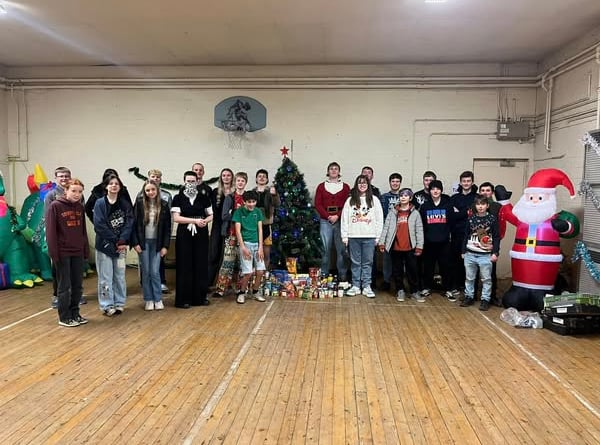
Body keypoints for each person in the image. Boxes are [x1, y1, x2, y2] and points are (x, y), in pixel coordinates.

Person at [496, 168, 579, 312]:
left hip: (544, 269)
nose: (534, 201)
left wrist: (565, 226)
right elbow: (510, 215)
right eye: (531, 197)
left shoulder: (553, 219)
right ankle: (519, 292)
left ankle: (542, 294)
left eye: (539, 198)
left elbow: (573, 228)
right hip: (521, 267)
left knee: (542, 301)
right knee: (513, 300)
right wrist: (504, 201)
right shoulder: (523, 217)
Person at [45, 178, 90, 327]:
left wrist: (85, 249)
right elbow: (51, 232)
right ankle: (64, 317)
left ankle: (75, 313)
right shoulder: (55, 206)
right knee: (64, 286)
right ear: (66, 191)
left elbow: (83, 231)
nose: (77, 194)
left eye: (80, 192)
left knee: (78, 285)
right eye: (73, 191)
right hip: (62, 253)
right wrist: (54, 254)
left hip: (77, 251)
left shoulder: (79, 207)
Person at [171, 171, 213, 308]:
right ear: (184, 182)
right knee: (185, 264)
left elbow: (211, 215)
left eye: (193, 181)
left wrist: (204, 221)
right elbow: (176, 218)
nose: (190, 183)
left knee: (200, 263)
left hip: (201, 233)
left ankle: (200, 297)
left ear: (197, 182)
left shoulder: (203, 197)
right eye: (188, 181)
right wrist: (194, 221)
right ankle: (184, 299)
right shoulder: (177, 198)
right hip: (185, 234)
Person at [93, 174, 134, 316]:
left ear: (120, 186)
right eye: (111, 183)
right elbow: (99, 225)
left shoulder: (125, 203)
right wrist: (115, 240)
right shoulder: (99, 203)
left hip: (121, 247)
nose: (114, 185)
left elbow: (129, 223)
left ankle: (119, 303)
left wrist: (122, 240)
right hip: (104, 246)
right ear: (106, 186)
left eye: (116, 183)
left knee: (120, 276)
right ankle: (106, 304)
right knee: (105, 277)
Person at [340, 175, 384, 298]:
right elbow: (344, 219)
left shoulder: (374, 200)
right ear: (356, 185)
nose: (362, 185)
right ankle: (355, 286)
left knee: (368, 262)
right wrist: (345, 236)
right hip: (353, 236)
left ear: (368, 185)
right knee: (355, 262)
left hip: (369, 237)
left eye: (364, 183)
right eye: (359, 183)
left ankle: (366, 286)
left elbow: (380, 220)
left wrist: (377, 237)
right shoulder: (350, 200)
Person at [378, 188, 424, 302]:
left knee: (412, 270)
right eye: (401, 195)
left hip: (410, 247)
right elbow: (386, 228)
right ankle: (400, 290)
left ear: (410, 198)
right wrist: (382, 242)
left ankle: (414, 291)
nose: (403, 197)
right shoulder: (393, 212)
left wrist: (419, 246)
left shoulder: (415, 213)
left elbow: (419, 230)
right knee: (397, 270)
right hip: (396, 246)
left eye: (406, 195)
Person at [132, 180, 171, 311]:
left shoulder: (164, 205)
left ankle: (158, 298)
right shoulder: (139, 204)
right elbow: (134, 225)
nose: (150, 192)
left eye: (153, 190)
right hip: (143, 243)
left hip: (157, 243)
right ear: (144, 192)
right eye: (148, 190)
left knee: (155, 271)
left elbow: (167, 228)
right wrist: (135, 243)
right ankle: (148, 299)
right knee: (147, 271)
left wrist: (165, 246)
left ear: (157, 190)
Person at [460, 194, 500, 311]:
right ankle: (469, 296)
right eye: (478, 204)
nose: (480, 206)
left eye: (483, 204)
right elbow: (465, 235)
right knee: (469, 278)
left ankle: (485, 299)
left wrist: (495, 252)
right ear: (475, 206)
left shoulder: (492, 219)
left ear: (487, 205)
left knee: (486, 279)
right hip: (470, 253)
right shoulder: (471, 219)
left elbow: (497, 237)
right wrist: (463, 251)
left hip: (485, 255)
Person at [419, 180, 455, 301]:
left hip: (444, 243)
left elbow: (451, 223)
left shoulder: (448, 206)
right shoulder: (424, 207)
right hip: (429, 243)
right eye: (433, 189)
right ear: (429, 191)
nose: (435, 191)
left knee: (446, 267)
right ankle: (426, 287)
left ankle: (448, 289)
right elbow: (422, 225)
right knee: (428, 267)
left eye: (438, 189)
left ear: (441, 190)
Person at [214, 172, 248, 298]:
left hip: (245, 236)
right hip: (231, 234)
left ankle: (240, 289)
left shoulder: (248, 197)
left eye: (242, 181)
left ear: (245, 183)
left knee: (242, 263)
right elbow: (224, 216)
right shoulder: (230, 198)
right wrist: (238, 214)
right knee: (227, 262)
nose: (240, 183)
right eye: (238, 180)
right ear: (235, 182)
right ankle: (220, 288)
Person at [314, 162, 350, 280]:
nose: (334, 171)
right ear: (328, 171)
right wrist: (328, 216)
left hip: (340, 221)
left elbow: (348, 205)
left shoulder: (345, 187)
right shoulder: (321, 186)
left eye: (336, 169)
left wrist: (337, 216)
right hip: (325, 221)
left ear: (339, 172)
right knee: (325, 249)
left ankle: (342, 276)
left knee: (341, 250)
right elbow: (318, 204)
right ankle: (323, 275)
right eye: (331, 169)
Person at [232, 190, 267, 304]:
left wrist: (261, 247)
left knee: (260, 271)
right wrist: (243, 247)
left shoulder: (258, 212)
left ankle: (255, 291)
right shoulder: (238, 212)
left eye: (253, 202)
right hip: (246, 244)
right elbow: (238, 231)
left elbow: (260, 229)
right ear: (244, 202)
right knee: (248, 273)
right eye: (249, 202)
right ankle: (242, 292)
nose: (251, 204)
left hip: (257, 245)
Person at [449, 170, 478, 297]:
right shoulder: (454, 198)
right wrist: (466, 212)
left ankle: (471, 290)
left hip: (473, 235)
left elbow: (476, 215)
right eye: (464, 181)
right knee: (456, 261)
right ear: (460, 183)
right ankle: (456, 285)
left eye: (468, 181)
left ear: (472, 182)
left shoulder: (477, 198)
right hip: (457, 234)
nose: (466, 183)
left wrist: (459, 212)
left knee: (472, 262)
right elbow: (452, 216)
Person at [146, 169, 172, 293]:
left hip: (160, 233)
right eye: (153, 176)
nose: (155, 179)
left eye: (158, 177)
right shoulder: (142, 195)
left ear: (161, 179)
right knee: (145, 262)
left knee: (160, 259)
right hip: (146, 234)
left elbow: (170, 216)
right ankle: (145, 283)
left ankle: (161, 281)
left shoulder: (166, 195)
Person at [208, 168, 234, 286]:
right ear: (221, 177)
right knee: (214, 254)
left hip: (232, 225)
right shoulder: (215, 192)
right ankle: (209, 283)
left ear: (232, 177)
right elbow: (212, 211)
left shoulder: (235, 193)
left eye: (228, 175)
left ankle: (224, 284)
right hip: (218, 225)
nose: (226, 177)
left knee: (228, 256)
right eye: (224, 175)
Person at [379, 173, 403, 291]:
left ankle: (399, 281)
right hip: (388, 231)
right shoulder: (383, 197)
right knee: (387, 258)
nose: (395, 183)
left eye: (397, 181)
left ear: (400, 183)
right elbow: (381, 214)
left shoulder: (405, 196)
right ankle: (386, 280)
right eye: (393, 181)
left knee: (400, 258)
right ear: (390, 183)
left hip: (402, 232)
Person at [254, 169, 280, 270]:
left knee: (266, 254)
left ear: (267, 179)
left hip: (266, 226)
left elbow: (277, 204)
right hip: (253, 227)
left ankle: (263, 276)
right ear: (256, 179)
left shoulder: (271, 192)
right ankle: (254, 277)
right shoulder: (251, 192)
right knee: (254, 254)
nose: (261, 178)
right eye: (259, 176)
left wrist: (274, 195)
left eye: (264, 176)